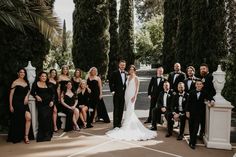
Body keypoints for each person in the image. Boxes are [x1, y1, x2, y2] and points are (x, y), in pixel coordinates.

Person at [106, 65, 157, 140]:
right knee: (127, 110)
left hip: (132, 95)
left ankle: (129, 126)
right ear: (129, 70)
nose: (131, 70)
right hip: (126, 95)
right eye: (130, 69)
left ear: (135, 70)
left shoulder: (136, 78)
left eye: (133, 69)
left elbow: (137, 89)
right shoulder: (128, 77)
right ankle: (122, 124)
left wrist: (135, 96)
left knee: (130, 110)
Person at [186, 79, 214, 149]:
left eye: (200, 84)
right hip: (191, 112)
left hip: (199, 113)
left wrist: (212, 100)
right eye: (197, 84)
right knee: (191, 127)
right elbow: (188, 103)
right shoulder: (191, 92)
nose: (199, 85)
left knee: (196, 128)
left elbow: (210, 97)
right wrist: (187, 111)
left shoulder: (205, 92)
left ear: (202, 85)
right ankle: (192, 140)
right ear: (195, 85)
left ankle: (192, 143)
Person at [7, 68, 33, 144]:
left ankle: (26, 136)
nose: (22, 73)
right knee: (18, 120)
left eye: (24, 72)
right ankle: (17, 136)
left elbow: (28, 90)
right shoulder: (15, 82)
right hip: (17, 103)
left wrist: (26, 97)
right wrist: (11, 105)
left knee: (28, 118)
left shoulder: (26, 81)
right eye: (21, 72)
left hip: (24, 103)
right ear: (18, 73)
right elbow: (11, 95)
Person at [31, 72, 54, 142]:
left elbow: (53, 94)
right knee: (42, 118)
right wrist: (36, 96)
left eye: (45, 76)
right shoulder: (35, 83)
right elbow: (32, 92)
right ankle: (41, 136)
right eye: (42, 76)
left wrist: (52, 101)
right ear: (39, 77)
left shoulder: (49, 84)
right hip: (41, 104)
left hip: (49, 104)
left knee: (48, 119)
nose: (44, 77)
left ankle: (48, 135)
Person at [199, 63, 216, 139]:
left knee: (205, 119)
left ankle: (203, 133)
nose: (202, 70)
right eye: (201, 69)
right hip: (203, 101)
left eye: (203, 69)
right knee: (202, 118)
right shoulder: (203, 77)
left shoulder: (211, 76)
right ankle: (201, 132)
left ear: (207, 69)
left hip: (207, 100)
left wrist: (210, 99)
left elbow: (212, 90)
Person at [109, 60, 127, 128]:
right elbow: (111, 82)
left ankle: (119, 123)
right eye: (121, 65)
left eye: (124, 65)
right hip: (116, 93)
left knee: (121, 109)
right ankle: (115, 124)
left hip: (123, 94)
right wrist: (112, 91)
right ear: (119, 65)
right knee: (116, 109)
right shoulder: (115, 73)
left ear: (125, 66)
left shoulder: (126, 73)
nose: (122, 66)